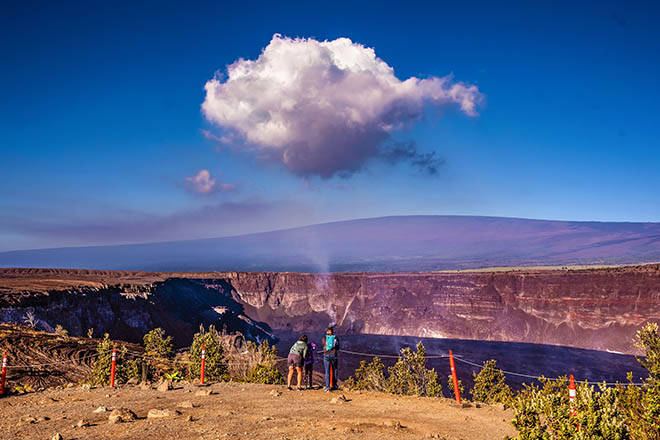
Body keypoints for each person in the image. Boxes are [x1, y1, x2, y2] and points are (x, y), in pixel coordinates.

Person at [321, 327, 339, 391]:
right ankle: (334, 385)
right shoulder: (335, 337)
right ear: (332, 331)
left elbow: (323, 344)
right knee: (335, 370)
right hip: (333, 354)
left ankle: (327, 386)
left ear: (327, 332)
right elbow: (337, 346)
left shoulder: (324, 338)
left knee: (327, 371)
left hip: (326, 354)